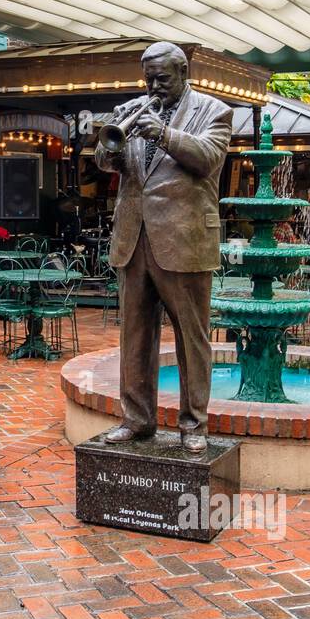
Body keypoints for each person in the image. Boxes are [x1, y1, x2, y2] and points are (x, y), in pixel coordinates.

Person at [94, 42, 231, 453]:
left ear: (184, 72)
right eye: (148, 78)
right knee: (135, 336)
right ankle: (136, 420)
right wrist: (112, 148)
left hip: (184, 239)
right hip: (134, 239)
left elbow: (208, 159)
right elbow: (103, 160)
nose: (154, 86)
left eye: (162, 79)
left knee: (192, 337)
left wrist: (166, 134)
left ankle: (194, 425)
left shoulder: (215, 110)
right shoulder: (131, 108)